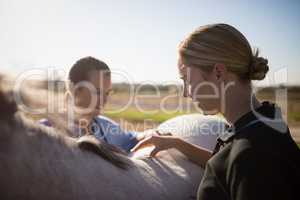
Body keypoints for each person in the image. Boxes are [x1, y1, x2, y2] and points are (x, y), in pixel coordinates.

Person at [132, 23, 300, 199]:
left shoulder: (251, 157)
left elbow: (241, 164)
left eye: (187, 80)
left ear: (218, 73)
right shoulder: (264, 124)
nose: (185, 93)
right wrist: (176, 143)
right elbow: (226, 165)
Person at [40, 56, 141, 152]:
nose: (104, 100)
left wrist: (152, 134)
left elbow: (133, 138)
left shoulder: (105, 126)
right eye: (97, 92)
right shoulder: (45, 131)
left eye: (107, 93)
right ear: (75, 90)